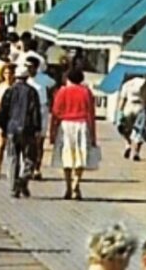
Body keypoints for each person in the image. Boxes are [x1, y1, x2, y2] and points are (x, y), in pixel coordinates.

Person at [50, 67, 97, 200]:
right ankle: (76, 183)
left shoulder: (62, 91)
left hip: (65, 125)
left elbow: (55, 112)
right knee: (81, 156)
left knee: (67, 157)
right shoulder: (86, 92)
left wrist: (53, 132)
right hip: (82, 125)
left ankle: (68, 187)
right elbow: (91, 113)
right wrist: (93, 135)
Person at [0, 64, 41, 198]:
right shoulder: (32, 92)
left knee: (12, 158)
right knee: (30, 158)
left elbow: (2, 111)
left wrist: (3, 127)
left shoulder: (9, 91)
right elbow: (35, 112)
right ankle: (23, 179)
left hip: (12, 129)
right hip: (28, 129)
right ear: (27, 77)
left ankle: (13, 187)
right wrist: (37, 128)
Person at [25, 51, 54, 180]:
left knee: (39, 141)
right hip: (27, 111)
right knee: (27, 140)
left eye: (31, 67)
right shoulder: (24, 79)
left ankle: (37, 168)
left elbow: (53, 86)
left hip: (41, 109)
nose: (28, 69)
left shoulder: (44, 78)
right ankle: (27, 167)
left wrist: (50, 100)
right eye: (27, 67)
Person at [116, 74, 146, 161]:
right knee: (139, 130)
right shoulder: (144, 83)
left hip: (129, 106)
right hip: (140, 107)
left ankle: (127, 144)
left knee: (126, 129)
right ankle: (136, 151)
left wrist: (119, 112)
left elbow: (123, 99)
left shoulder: (127, 84)